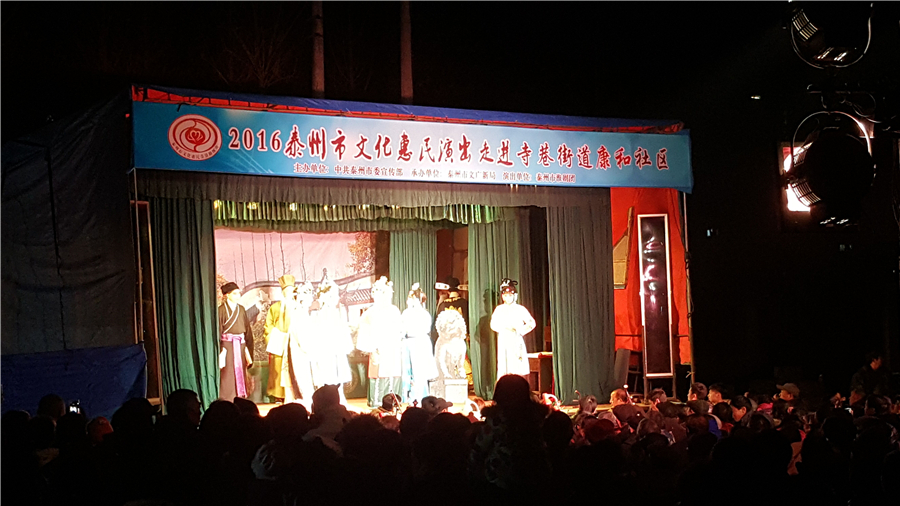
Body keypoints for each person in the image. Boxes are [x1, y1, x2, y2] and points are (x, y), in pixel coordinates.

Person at [357, 276, 404, 407]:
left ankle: (393, 401)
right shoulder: (370, 312)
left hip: (392, 348)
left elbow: (400, 329)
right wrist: (372, 348)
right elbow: (365, 332)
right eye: (379, 292)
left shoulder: (394, 310)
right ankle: (377, 401)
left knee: (392, 374)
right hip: (378, 348)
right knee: (378, 374)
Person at [309, 273, 353, 404]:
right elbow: (314, 332)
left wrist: (345, 345)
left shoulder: (338, 312)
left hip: (336, 348)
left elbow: (343, 329)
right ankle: (325, 399)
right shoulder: (317, 314)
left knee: (338, 373)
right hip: (324, 348)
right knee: (325, 374)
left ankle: (339, 396)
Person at [401, 283, 439, 406]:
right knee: (408, 371)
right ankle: (409, 397)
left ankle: (419, 397)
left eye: (411, 298)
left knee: (419, 372)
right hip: (409, 342)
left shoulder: (423, 314)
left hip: (419, 343)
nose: (408, 301)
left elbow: (425, 329)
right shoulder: (407, 312)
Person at [280, 280, 316, 407]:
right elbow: (300, 336)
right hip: (300, 351)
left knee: (305, 377)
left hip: (302, 350)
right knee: (302, 378)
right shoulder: (298, 312)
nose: (311, 298)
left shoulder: (302, 312)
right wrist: (310, 348)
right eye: (308, 295)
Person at [490, 278, 536, 378]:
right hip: (503, 339)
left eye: (510, 295)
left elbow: (532, 323)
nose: (508, 298)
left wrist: (519, 330)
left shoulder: (520, 309)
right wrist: (504, 327)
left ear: (514, 295)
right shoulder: (499, 309)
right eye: (505, 295)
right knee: (504, 364)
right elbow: (493, 324)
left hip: (515, 339)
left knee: (516, 365)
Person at [218, 282, 254, 400]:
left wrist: (248, 346)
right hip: (227, 345)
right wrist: (221, 348)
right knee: (228, 373)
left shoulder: (241, 309)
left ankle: (240, 397)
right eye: (234, 294)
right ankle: (227, 398)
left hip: (241, 344)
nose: (238, 296)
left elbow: (247, 329)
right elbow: (218, 330)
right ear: (227, 295)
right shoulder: (221, 310)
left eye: (239, 293)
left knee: (241, 370)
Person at [264, 274, 297, 402]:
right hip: (279, 341)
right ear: (283, 292)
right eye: (286, 290)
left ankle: (295, 393)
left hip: (294, 340)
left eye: (291, 290)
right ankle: (278, 395)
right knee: (278, 368)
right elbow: (268, 326)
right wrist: (276, 336)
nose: (289, 293)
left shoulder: (298, 306)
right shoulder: (275, 307)